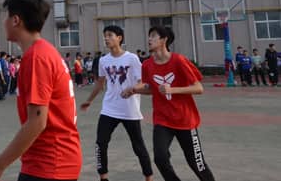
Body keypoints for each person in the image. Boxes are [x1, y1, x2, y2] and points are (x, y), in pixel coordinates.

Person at [0, 0, 81, 181]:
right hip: (54, 162)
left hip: (49, 165)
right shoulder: (45, 52)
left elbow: (37, 121)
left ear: (16, 20)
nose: (4, 22)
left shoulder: (36, 57)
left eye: (7, 17)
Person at [122, 26, 216, 181]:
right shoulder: (147, 65)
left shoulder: (178, 60)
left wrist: (172, 90)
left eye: (153, 36)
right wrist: (134, 90)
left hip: (185, 119)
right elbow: (152, 89)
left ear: (164, 40)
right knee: (160, 158)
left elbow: (199, 88)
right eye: (149, 36)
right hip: (163, 119)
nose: (149, 39)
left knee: (196, 162)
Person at [80, 25, 153, 181]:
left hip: (129, 109)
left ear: (119, 38)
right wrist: (89, 101)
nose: (106, 38)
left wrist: (132, 89)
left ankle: (148, 177)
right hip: (109, 109)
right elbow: (100, 84)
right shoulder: (103, 60)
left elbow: (142, 82)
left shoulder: (132, 58)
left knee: (138, 146)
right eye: (105, 36)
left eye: (110, 35)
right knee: (101, 143)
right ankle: (103, 177)